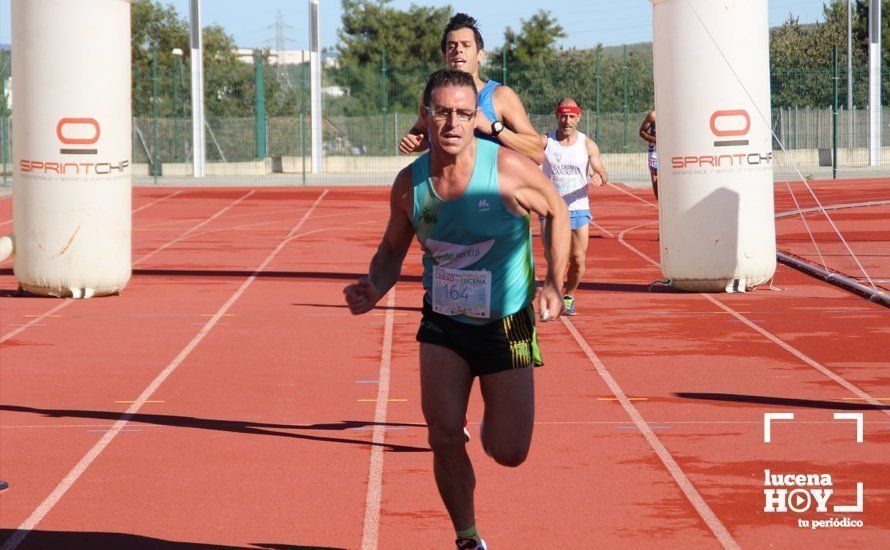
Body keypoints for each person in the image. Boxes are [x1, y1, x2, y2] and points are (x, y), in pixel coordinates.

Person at [345, 69, 569, 550]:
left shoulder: (506, 169)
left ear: (476, 118)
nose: (452, 122)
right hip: (443, 323)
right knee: (444, 434)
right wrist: (373, 287)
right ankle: (467, 538)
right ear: (425, 117)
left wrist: (553, 283)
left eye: (463, 113)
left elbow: (557, 210)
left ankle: (493, 418)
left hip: (506, 324)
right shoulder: (410, 185)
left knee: (509, 452)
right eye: (442, 112)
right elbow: (390, 249)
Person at [398, 13, 545, 164]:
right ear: (444, 57)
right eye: (451, 46)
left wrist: (494, 127)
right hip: (446, 185)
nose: (458, 50)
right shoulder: (433, 96)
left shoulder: (500, 96)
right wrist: (413, 141)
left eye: (466, 45)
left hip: (488, 187)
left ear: (480, 55)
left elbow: (537, 153)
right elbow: (419, 132)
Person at [540, 98, 608, 316]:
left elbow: (601, 169)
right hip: (551, 210)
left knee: (577, 260)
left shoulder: (587, 144)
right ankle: (554, 294)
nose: (567, 120)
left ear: (578, 117)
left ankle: (568, 295)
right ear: (557, 116)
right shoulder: (545, 141)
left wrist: (600, 176)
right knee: (554, 258)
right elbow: (526, 157)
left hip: (578, 208)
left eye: (571, 116)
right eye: (563, 115)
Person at [639, 110, 658, 198]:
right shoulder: (653, 115)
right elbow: (642, 132)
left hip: (670, 153)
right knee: (656, 184)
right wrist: (655, 140)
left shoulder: (674, 113)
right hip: (655, 154)